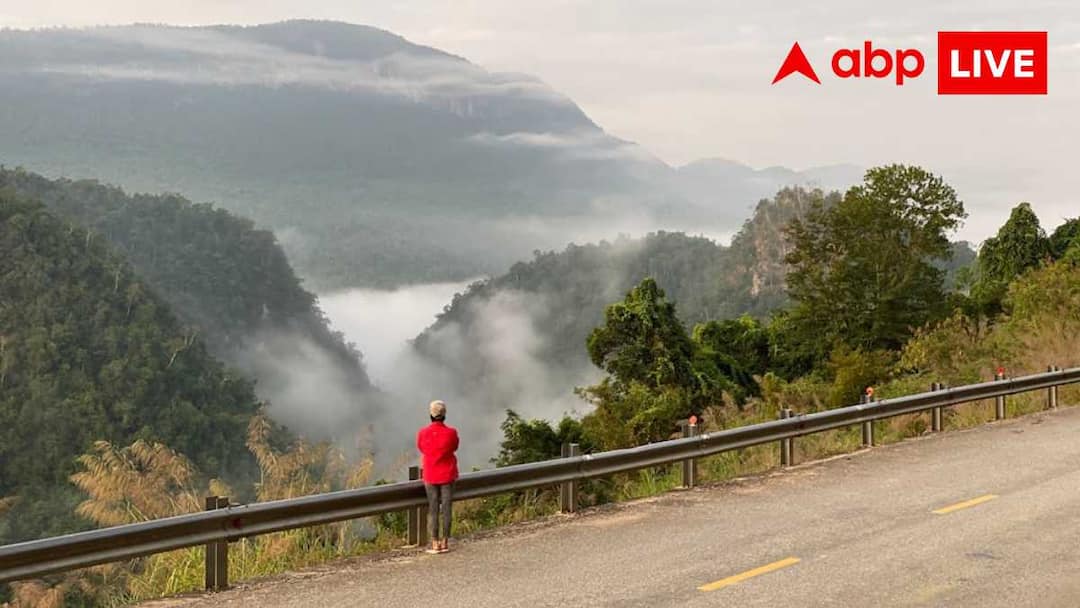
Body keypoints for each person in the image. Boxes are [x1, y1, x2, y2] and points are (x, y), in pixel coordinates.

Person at [416, 399, 459, 554]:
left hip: (430, 474)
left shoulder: (423, 433)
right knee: (446, 508)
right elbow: (455, 446)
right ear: (444, 415)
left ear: (431, 414)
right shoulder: (451, 433)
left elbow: (421, 448)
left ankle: (434, 543)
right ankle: (445, 541)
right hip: (447, 473)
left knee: (433, 508)